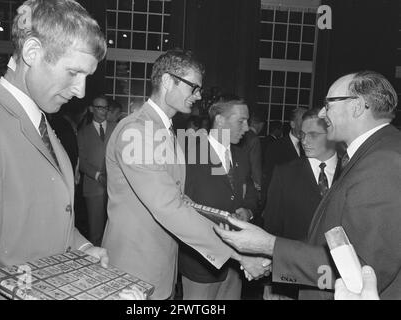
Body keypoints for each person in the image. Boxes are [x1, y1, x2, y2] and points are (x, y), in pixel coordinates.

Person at [0, 0, 111, 300]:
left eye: (87, 77)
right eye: (73, 73)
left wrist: (83, 248)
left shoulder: (43, 122)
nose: (81, 91)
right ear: (32, 52)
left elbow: (45, 218)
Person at [214, 71, 401, 299]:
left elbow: (363, 271)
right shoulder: (374, 153)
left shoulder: (383, 162)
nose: (323, 113)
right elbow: (334, 243)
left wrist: (269, 246)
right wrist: (275, 258)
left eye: (328, 104)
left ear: (357, 106)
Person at [102, 49, 271, 300]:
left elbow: (181, 199)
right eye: (193, 87)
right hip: (134, 268)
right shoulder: (136, 131)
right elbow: (169, 206)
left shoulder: (164, 130)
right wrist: (238, 254)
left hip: (161, 263)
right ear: (168, 81)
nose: (198, 95)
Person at [179, 97, 259, 300]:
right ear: (220, 120)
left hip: (235, 262)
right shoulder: (189, 153)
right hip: (202, 262)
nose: (247, 127)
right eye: (241, 121)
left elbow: (250, 193)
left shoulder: (241, 155)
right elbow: (180, 205)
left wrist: (248, 211)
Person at [263, 108, 340, 299]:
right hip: (294, 279)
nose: (304, 141)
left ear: (332, 134)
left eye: (313, 135)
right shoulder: (285, 174)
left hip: (341, 280)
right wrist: (271, 283)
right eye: (302, 134)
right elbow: (272, 228)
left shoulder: (353, 172)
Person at [77, 95, 117, 246]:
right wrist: (98, 175)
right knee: (96, 232)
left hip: (116, 187)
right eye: (99, 107)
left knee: (115, 230)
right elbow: (81, 161)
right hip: (93, 188)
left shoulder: (116, 128)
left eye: (106, 107)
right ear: (91, 109)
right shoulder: (83, 132)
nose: (104, 110)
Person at [261, 107, 307, 204]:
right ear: (292, 124)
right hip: (282, 201)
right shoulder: (276, 147)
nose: (307, 124)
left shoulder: (310, 147)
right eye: (303, 120)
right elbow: (269, 177)